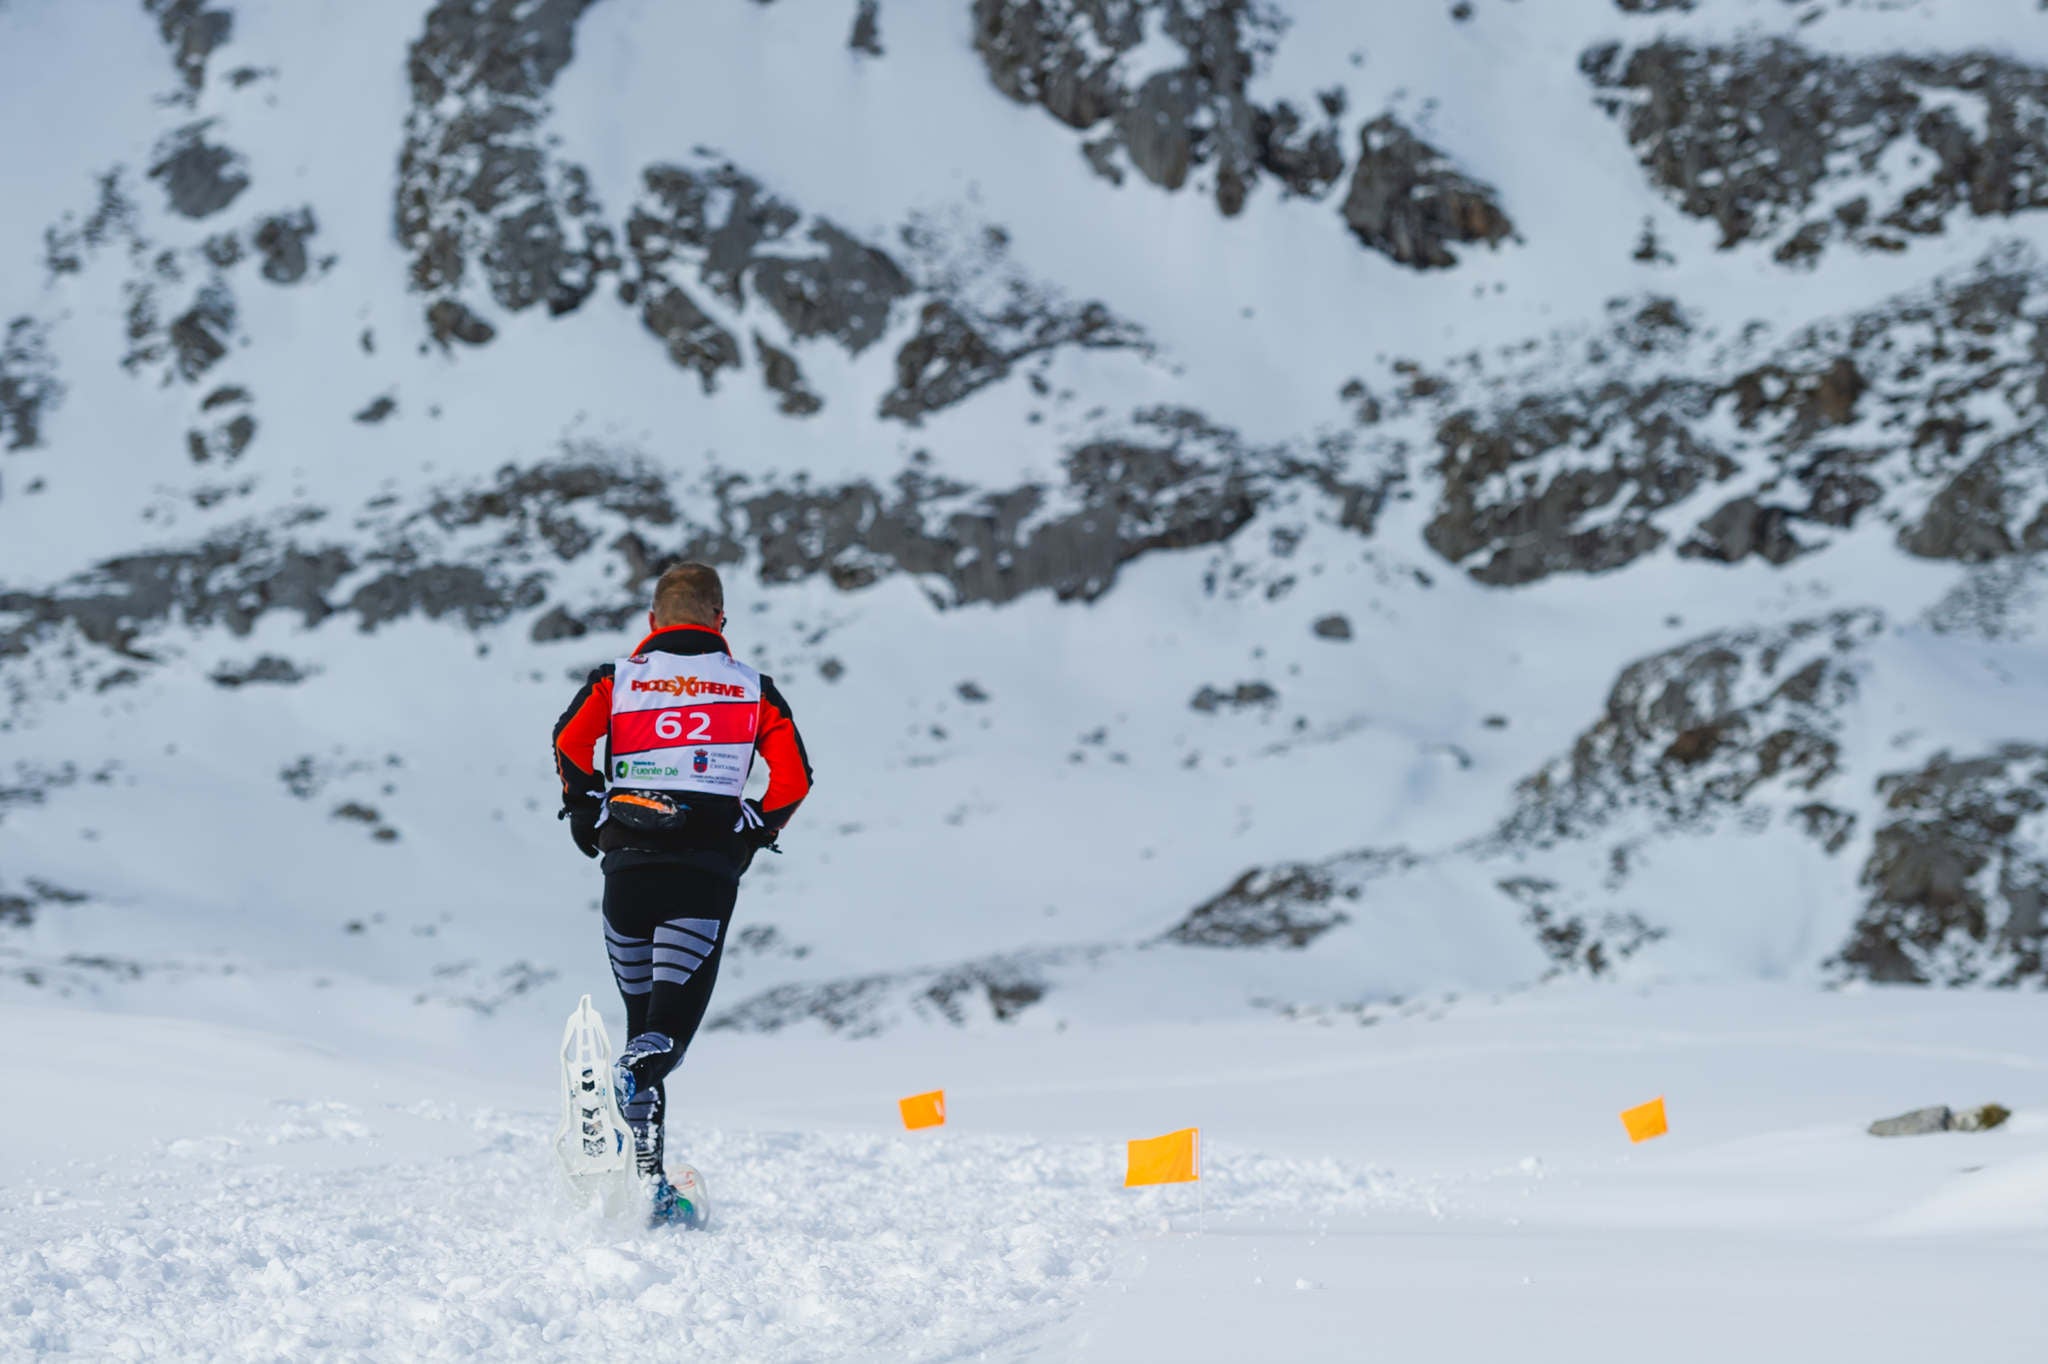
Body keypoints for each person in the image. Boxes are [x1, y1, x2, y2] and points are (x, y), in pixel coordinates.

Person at [551, 561, 813, 1224]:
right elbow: (793, 779)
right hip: (700, 879)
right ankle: (625, 1094)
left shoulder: (618, 680)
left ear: (652, 622)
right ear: (720, 622)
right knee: (665, 1039)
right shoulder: (754, 689)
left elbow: (570, 742)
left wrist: (584, 810)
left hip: (627, 873)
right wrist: (752, 832)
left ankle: (649, 1189)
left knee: (644, 1029)